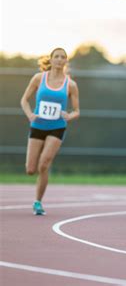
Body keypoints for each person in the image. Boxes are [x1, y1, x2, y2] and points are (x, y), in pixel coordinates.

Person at [20, 48, 80, 215]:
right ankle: (37, 173)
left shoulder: (71, 84)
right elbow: (24, 100)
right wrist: (30, 115)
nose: (60, 60)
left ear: (66, 61)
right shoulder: (39, 78)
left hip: (57, 127)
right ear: (51, 59)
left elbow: (77, 110)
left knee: (44, 164)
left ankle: (38, 202)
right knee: (31, 169)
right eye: (57, 57)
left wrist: (69, 115)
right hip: (38, 126)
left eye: (63, 57)